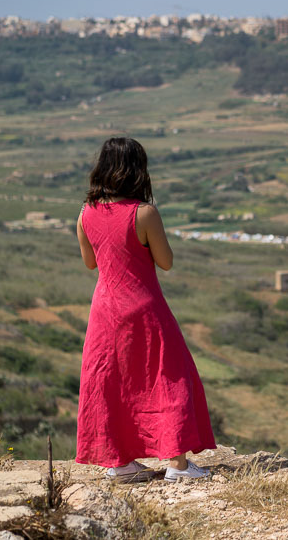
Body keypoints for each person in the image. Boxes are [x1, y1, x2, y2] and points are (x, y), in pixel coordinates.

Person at [75, 137, 216, 483]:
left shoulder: (85, 213)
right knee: (169, 376)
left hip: (105, 312)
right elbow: (165, 262)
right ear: (138, 171)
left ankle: (120, 464)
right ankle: (178, 466)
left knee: (111, 381)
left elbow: (90, 263)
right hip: (144, 309)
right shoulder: (144, 213)